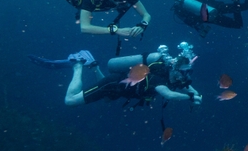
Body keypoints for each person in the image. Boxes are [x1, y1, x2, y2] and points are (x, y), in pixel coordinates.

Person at [61, 44, 202, 107]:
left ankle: (95, 67)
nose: (185, 76)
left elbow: (187, 86)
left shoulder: (173, 76)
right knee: (70, 100)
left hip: (121, 89)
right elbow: (170, 95)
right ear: (174, 69)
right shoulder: (158, 79)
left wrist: (195, 93)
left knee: (107, 99)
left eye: (188, 72)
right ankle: (78, 66)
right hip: (114, 83)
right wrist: (190, 97)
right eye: (183, 72)